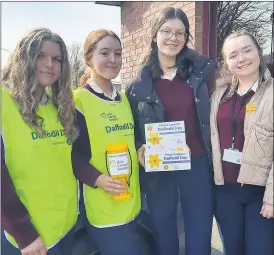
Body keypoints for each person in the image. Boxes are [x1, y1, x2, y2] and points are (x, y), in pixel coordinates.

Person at [126, 7, 216, 255]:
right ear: (155, 35)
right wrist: (138, 148)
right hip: (159, 173)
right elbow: (132, 128)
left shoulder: (201, 75)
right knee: (165, 239)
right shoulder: (138, 86)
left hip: (196, 167)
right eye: (166, 31)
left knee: (198, 238)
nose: (172, 38)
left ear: (186, 37)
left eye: (180, 33)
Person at [1, 28, 79, 255]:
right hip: (26, 239)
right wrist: (24, 233)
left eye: (57, 59)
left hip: (65, 226)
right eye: (40, 56)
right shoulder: (3, 101)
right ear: (24, 58)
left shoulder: (58, 106)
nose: (50, 64)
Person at [72, 29, 141, 255]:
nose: (113, 59)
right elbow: (71, 155)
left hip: (130, 201)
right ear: (88, 58)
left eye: (118, 53)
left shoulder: (124, 100)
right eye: (104, 53)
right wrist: (98, 179)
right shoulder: (77, 100)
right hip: (101, 204)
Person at [210, 30, 273, 255]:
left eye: (247, 50)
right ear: (227, 62)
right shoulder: (219, 95)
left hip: (260, 194)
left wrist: (272, 198)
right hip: (225, 191)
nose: (242, 58)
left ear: (259, 52)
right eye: (233, 54)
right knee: (232, 251)